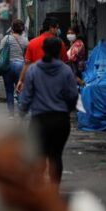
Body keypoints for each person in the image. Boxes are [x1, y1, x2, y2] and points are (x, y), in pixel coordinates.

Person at [20, 37, 78, 183]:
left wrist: (22, 113)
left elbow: (26, 96)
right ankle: (54, 191)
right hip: (60, 121)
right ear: (59, 51)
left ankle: (39, 191)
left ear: (43, 50)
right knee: (56, 156)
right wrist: (67, 110)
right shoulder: (66, 71)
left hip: (39, 121)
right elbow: (73, 95)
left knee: (39, 156)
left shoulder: (33, 69)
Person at [17, 17, 68, 92]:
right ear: (51, 28)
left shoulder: (32, 43)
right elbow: (65, 64)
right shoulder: (60, 43)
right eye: (57, 28)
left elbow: (27, 64)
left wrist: (21, 80)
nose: (58, 30)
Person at [0, 20, 28, 117]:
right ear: (23, 29)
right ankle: (21, 112)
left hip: (7, 65)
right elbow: (26, 55)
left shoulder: (6, 38)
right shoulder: (25, 40)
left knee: (9, 90)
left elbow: (0, 51)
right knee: (20, 88)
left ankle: (11, 113)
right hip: (20, 66)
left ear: (12, 28)